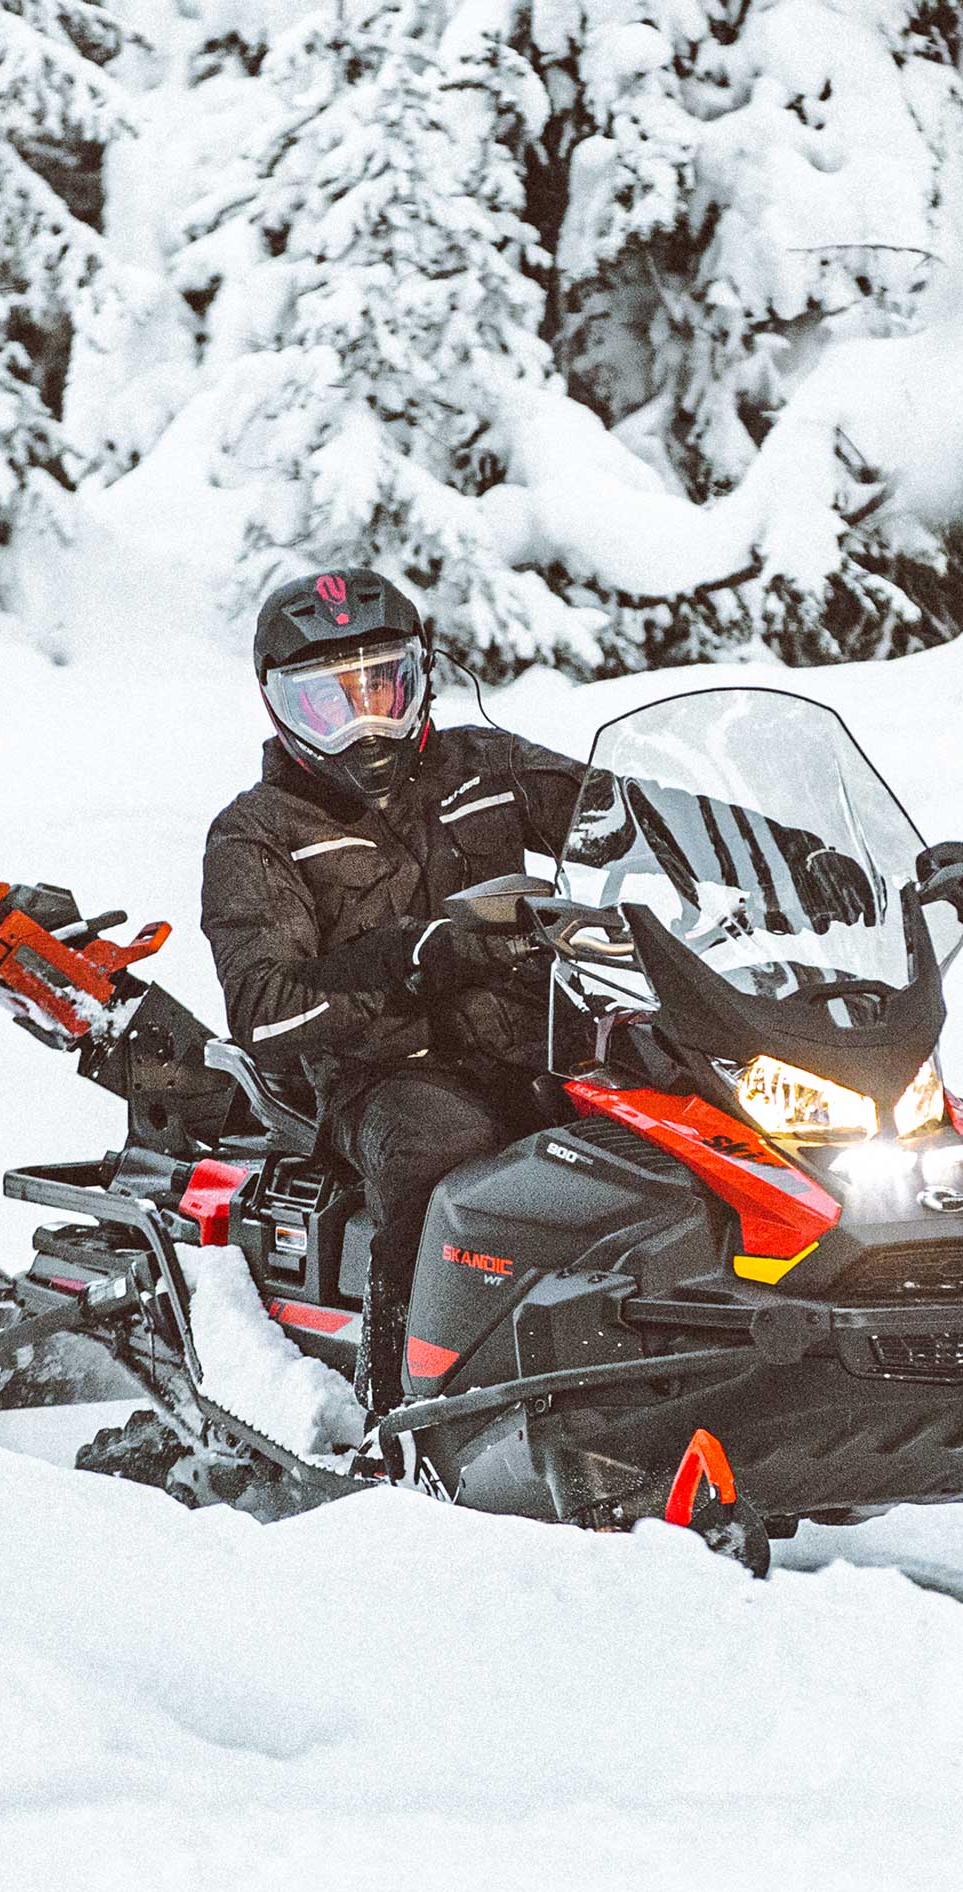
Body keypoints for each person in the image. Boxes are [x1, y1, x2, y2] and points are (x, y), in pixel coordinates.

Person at [198, 568, 585, 1423]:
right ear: (282, 710)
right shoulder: (259, 831)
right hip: (379, 1075)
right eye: (331, 703)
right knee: (441, 1146)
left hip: (537, 1037)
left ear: (420, 679)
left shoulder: (487, 767)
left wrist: (810, 863)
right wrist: (405, 959)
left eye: (384, 685)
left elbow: (629, 813)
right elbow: (265, 1007)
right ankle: (399, 1412)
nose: (366, 720)